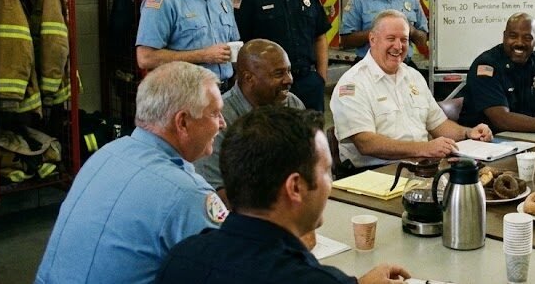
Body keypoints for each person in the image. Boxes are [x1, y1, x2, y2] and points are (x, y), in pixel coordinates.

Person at [156, 106, 410, 284]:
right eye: (326, 171)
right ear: (295, 187)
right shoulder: (309, 278)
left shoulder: (180, 258)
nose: (330, 183)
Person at [35, 62, 227, 284]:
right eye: (215, 113)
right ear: (182, 122)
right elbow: (230, 270)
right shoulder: (188, 194)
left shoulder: (106, 154)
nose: (222, 123)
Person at [331, 10, 492, 173]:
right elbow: (366, 143)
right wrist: (424, 148)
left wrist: (468, 132)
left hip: (420, 168)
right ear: (372, 39)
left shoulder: (413, 76)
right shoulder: (353, 83)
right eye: (391, 39)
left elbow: (439, 124)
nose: (398, 46)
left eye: (404, 40)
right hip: (373, 173)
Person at [196, 39, 305, 207]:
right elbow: (215, 195)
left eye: (289, 71)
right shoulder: (219, 120)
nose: (288, 79)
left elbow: (311, 166)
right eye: (278, 74)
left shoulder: (293, 105)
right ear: (249, 78)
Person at [233, 0, 330, 111]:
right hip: (270, 89)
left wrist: (321, 77)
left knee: (313, 137)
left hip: (308, 84)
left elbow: (320, 36)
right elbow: (241, 47)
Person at [458, 13, 535, 133]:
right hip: (482, 142)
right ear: (504, 36)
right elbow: (502, 120)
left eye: (527, 38)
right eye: (513, 36)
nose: (519, 43)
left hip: (522, 139)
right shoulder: (487, 65)